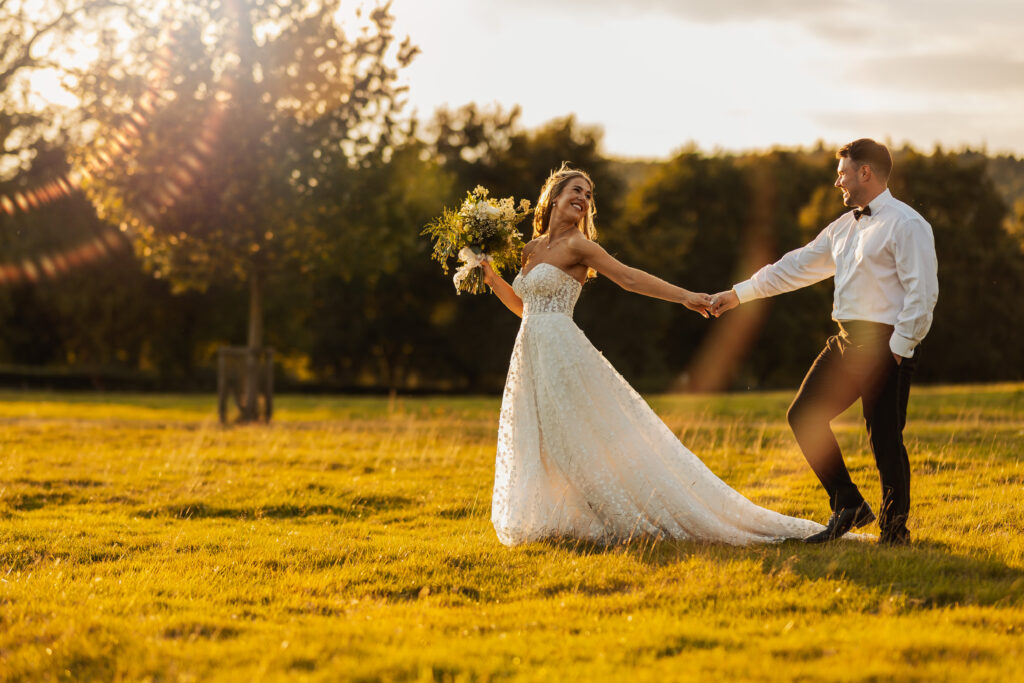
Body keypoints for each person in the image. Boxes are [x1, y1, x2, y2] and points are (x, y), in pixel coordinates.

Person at [479, 163, 829, 546]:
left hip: (562, 349)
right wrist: (493, 278)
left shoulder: (579, 246)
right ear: (553, 196)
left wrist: (686, 297)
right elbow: (524, 306)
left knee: (580, 434)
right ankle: (562, 517)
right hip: (530, 351)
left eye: (588, 195)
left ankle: (611, 515)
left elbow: (629, 278)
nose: (582, 198)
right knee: (544, 435)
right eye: (575, 190)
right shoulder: (530, 249)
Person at [709, 139, 939, 546]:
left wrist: (899, 350)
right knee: (804, 416)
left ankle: (894, 531)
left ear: (865, 172)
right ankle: (848, 503)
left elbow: (922, 294)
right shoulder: (842, 227)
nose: (838, 181)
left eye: (843, 172)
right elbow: (794, 267)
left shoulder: (906, 224)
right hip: (846, 340)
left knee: (884, 437)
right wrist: (738, 295)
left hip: (887, 342)